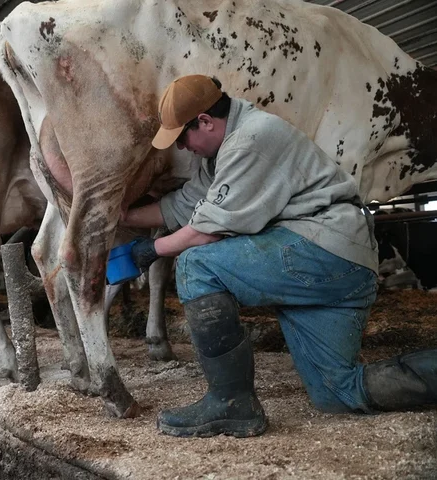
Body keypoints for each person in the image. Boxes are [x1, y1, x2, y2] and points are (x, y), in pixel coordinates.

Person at [121, 74, 437, 438]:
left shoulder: (251, 140)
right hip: (341, 266)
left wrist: (150, 250)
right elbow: (181, 206)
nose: (183, 148)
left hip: (322, 249)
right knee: (336, 392)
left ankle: (232, 403)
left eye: (182, 138)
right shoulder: (223, 151)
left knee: (197, 264)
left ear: (205, 121)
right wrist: (124, 216)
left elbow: (207, 231)